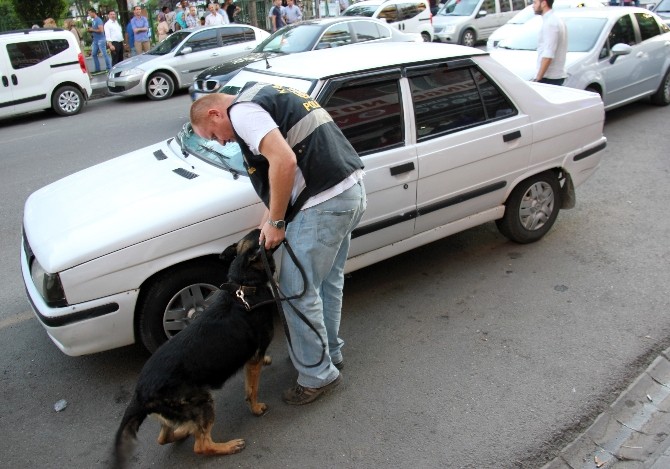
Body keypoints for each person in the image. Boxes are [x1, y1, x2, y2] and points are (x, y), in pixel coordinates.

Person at [190, 84, 366, 406]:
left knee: (296, 294)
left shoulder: (242, 113)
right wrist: (268, 220)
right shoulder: (264, 94)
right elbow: (282, 172)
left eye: (213, 135)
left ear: (215, 113)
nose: (222, 142)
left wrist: (277, 223)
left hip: (323, 204)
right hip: (348, 193)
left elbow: (284, 161)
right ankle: (328, 354)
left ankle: (317, 375)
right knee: (327, 283)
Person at [531, 0, 567, 85]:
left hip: (549, 77)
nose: (533, 6)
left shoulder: (550, 23)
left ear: (544, 3)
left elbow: (548, 54)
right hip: (552, 77)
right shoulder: (555, 19)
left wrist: (538, 79)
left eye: (535, 2)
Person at [87, 8, 111, 73]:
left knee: (104, 54)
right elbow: (95, 29)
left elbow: (101, 30)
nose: (89, 14)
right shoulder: (93, 21)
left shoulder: (98, 20)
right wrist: (91, 30)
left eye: (89, 13)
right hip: (95, 40)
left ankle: (109, 67)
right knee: (94, 54)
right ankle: (97, 69)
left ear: (93, 12)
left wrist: (92, 30)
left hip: (100, 39)